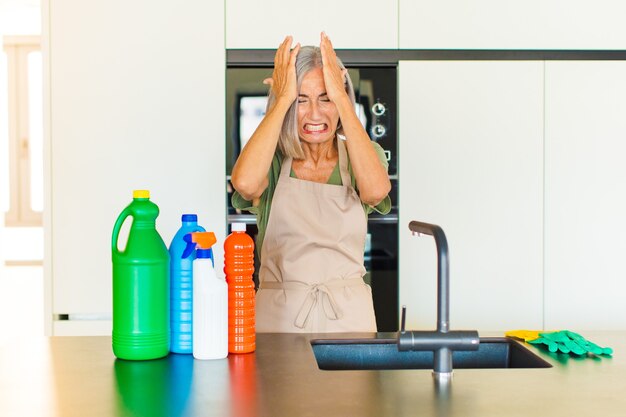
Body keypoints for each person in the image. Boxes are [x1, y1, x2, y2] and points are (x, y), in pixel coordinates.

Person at [230, 32, 391, 333]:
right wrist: (283, 99)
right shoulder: (273, 160)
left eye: (325, 98)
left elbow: (376, 190)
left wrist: (342, 95)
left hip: (349, 323)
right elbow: (246, 184)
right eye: (301, 100)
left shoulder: (362, 157)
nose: (314, 114)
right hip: (278, 324)